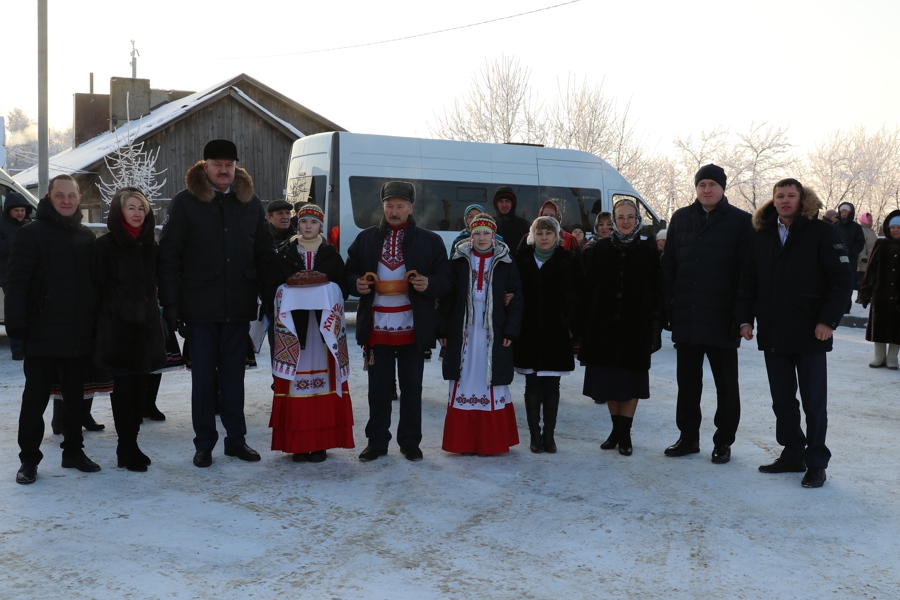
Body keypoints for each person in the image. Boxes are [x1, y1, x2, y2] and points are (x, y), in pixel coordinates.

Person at [158, 139, 274, 468]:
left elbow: (264, 254)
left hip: (237, 307)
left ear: (236, 167)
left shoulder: (249, 203)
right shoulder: (185, 203)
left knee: (234, 379)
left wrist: (269, 295)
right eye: (217, 164)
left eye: (229, 164)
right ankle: (204, 443)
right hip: (199, 309)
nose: (224, 170)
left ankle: (236, 440)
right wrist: (172, 304)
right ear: (205, 166)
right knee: (204, 379)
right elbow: (169, 257)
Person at [739, 178, 852, 488]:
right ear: (773, 201)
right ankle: (792, 453)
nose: (785, 201)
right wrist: (745, 319)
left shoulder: (821, 233)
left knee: (815, 403)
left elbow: (842, 280)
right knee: (782, 400)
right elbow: (748, 280)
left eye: (791, 196)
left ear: (803, 200)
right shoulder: (761, 234)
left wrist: (828, 321)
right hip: (774, 330)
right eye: (780, 196)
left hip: (811, 333)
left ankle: (816, 462)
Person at [346, 181, 451, 462]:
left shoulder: (430, 240)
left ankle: (410, 442)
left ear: (411, 208)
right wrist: (356, 284)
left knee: (411, 387)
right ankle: (377, 442)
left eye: (400, 206)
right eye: (390, 205)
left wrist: (429, 283)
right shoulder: (366, 239)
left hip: (413, 328)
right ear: (382, 206)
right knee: (378, 389)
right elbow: (349, 271)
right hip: (377, 328)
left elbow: (446, 278)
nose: (395, 211)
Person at [6, 175, 100, 484]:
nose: (66, 200)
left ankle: (73, 451)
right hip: (41, 332)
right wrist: (17, 323)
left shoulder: (86, 236)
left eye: (71, 195)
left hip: (76, 334)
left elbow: (93, 287)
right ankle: (29, 460)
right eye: (59, 195)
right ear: (49, 197)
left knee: (74, 399)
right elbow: (17, 283)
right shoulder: (30, 234)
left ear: (78, 198)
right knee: (35, 400)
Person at [660, 164, 753, 464]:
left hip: (722, 320)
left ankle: (723, 441)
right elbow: (668, 267)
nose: (707, 189)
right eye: (702, 185)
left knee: (726, 386)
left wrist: (742, 317)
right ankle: (688, 437)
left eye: (712, 184)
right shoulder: (681, 218)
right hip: (687, 317)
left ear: (723, 188)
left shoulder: (741, 222)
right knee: (688, 384)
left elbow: (746, 276)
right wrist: (666, 308)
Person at [266, 203, 353, 462]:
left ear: (320, 227)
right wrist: (287, 292)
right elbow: (273, 286)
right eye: (303, 222)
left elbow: (343, 288)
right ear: (297, 224)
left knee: (322, 384)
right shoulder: (284, 254)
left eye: (313, 223)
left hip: (323, 333)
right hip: (296, 330)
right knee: (296, 384)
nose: (307, 227)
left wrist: (328, 291)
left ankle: (321, 443)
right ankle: (298, 444)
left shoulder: (331, 255)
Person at [91, 187, 167, 472]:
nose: (137, 213)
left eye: (141, 208)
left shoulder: (151, 246)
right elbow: (95, 289)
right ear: (119, 211)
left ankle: (132, 444)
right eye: (131, 208)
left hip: (145, 331)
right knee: (122, 393)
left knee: (139, 392)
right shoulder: (105, 245)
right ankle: (125, 447)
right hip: (117, 331)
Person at [578, 199, 661, 456]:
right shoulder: (598, 250)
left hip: (636, 328)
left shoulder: (649, 252)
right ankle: (616, 430)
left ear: (638, 220)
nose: (626, 221)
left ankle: (625, 434)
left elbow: (656, 294)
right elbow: (586, 290)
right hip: (602, 328)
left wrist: (655, 328)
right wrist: (584, 326)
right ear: (613, 221)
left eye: (630, 216)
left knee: (630, 382)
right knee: (609, 382)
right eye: (621, 216)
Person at [438, 213, 523, 455]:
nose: (482, 237)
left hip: (493, 331)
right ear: (470, 235)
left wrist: (511, 331)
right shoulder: (458, 260)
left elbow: (517, 299)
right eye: (477, 232)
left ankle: (491, 441)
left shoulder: (506, 261)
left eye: (486, 232)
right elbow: (447, 297)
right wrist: (443, 328)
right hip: (463, 330)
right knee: (464, 378)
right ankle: (463, 441)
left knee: (491, 379)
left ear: (493, 235)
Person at [513, 216, 583, 453]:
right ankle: (535, 436)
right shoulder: (521, 259)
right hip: (528, 333)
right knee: (532, 385)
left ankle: (549, 436)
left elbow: (579, 296)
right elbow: (512, 291)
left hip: (556, 334)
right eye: (540, 233)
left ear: (557, 236)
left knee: (552, 386)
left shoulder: (569, 260)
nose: (544, 238)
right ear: (533, 236)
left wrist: (571, 325)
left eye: (549, 233)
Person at [857, 210, 900, 369]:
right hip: (880, 292)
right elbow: (871, 269)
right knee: (879, 323)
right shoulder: (881, 244)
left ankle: (892, 357)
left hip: (898, 295)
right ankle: (879, 355)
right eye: (893, 227)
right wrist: (865, 293)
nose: (895, 230)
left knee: (897, 326)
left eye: (899, 227)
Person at [0, 191, 33, 361]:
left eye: (22, 210)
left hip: (28, 275)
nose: (20, 213)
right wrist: (16, 237)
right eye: (16, 210)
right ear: (9, 211)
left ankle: (27, 347)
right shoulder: (2, 226)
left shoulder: (30, 225)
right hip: (9, 276)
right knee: (14, 313)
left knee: (29, 312)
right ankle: (16, 350)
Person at [832, 202, 865, 295]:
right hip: (834, 259)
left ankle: (846, 307)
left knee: (847, 286)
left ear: (850, 213)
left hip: (850, 260)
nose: (844, 214)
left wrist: (851, 253)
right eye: (842, 211)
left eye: (846, 212)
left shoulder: (856, 227)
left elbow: (860, 242)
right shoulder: (834, 226)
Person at [493, 186, 530, 251]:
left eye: (507, 201)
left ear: (512, 203)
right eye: (501, 201)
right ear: (496, 204)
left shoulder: (524, 225)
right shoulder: (490, 224)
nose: (504, 205)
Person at [857, 212, 878, 288]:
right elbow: (861, 244)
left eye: (871, 219)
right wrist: (862, 256)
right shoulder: (861, 230)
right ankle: (860, 298)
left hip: (871, 258)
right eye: (869, 219)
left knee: (870, 281)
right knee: (863, 282)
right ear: (864, 219)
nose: (871, 221)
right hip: (864, 260)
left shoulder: (871, 231)